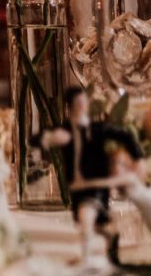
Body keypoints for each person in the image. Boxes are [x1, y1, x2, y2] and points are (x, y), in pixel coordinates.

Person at [41, 86, 145, 271]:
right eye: (77, 103)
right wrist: (48, 138)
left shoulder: (97, 129)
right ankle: (104, 254)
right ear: (71, 105)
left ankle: (89, 259)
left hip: (96, 186)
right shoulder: (65, 129)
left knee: (87, 218)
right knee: (93, 224)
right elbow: (36, 139)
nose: (81, 106)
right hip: (77, 187)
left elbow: (125, 136)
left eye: (83, 102)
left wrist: (138, 159)